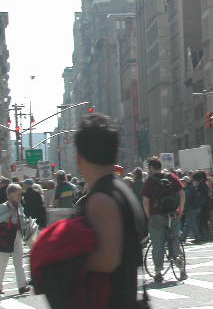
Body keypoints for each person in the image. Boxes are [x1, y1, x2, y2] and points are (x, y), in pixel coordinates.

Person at [73, 113, 147, 307]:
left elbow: (108, 260)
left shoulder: (101, 199)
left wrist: (62, 259)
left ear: (80, 157)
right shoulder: (121, 189)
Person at [142, 157, 186, 283]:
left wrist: (149, 216)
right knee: (175, 239)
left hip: (156, 215)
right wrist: (181, 210)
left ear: (151, 168)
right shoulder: (171, 177)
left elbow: (145, 202)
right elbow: (182, 194)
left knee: (157, 244)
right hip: (173, 214)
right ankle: (181, 267)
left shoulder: (149, 181)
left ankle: (158, 272)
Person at [0, 184, 30, 294]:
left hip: (17, 235)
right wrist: (9, 214)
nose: (20, 196)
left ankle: (22, 286)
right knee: (2, 263)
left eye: (20, 193)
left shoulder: (19, 206)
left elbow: (22, 219)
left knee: (19, 262)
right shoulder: (3, 206)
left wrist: (26, 223)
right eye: (18, 193)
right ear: (10, 194)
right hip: (5, 236)